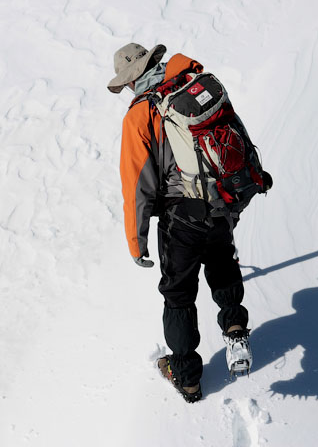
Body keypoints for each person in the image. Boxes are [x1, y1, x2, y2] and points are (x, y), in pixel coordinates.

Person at [108, 42, 252, 403]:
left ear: (130, 80)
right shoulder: (194, 85)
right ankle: (235, 327)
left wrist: (136, 241)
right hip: (219, 199)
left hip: (180, 216)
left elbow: (137, 184)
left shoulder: (139, 115)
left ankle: (186, 377)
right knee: (222, 264)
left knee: (178, 294)